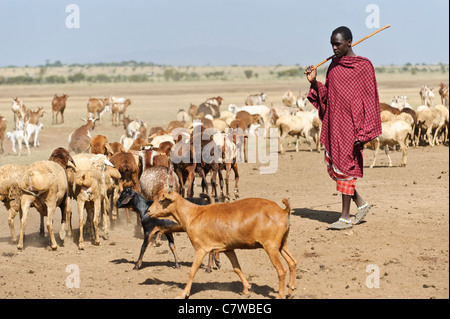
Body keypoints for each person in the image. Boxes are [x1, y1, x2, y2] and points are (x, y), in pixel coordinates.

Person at [305, 26, 382, 230]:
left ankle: (345, 217)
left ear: (349, 42)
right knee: (337, 169)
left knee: (345, 169)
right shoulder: (333, 65)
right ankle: (361, 204)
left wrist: (365, 131)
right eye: (332, 44)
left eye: (337, 44)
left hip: (354, 126)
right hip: (336, 124)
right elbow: (328, 96)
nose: (334, 47)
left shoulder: (364, 66)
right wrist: (314, 84)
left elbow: (370, 99)